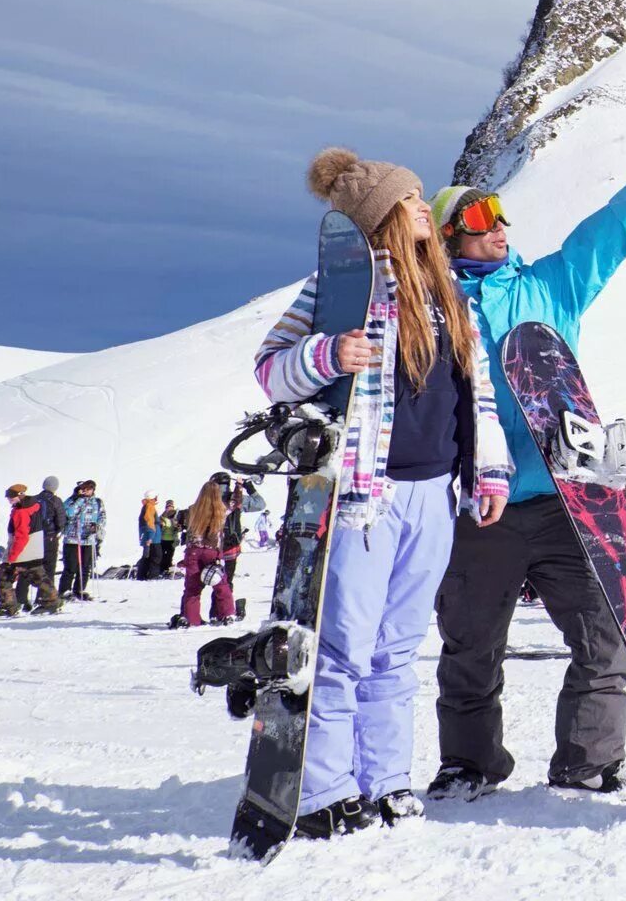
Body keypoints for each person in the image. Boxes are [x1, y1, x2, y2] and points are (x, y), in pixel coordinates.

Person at [429, 127, 626, 802]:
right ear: (449, 237)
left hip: (571, 502)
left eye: (502, 214)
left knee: (604, 636)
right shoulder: (436, 313)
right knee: (471, 645)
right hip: (486, 507)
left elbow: (609, 231)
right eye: (479, 218)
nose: (499, 226)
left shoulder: (550, 289)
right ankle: (469, 766)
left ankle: (589, 762)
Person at [256, 146, 513, 837]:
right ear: (382, 217)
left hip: (434, 493)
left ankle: (388, 780)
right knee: (344, 646)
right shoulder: (337, 285)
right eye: (412, 199)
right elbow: (269, 371)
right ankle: (324, 790)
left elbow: (477, 393)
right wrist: (327, 355)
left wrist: (489, 471)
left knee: (398, 648)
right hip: (365, 491)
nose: (424, 207)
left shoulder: (447, 292)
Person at [0, 484, 60, 617]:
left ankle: (8, 605)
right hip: (33, 549)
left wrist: (11, 557)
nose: (9, 499)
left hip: (24, 551)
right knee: (37, 576)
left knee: (4, 574)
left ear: (20, 495)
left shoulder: (22, 511)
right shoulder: (30, 506)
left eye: (12, 497)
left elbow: (22, 536)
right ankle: (52, 600)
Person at [176, 479, 239, 627]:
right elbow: (236, 503)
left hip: (193, 551)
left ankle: (192, 619)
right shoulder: (221, 510)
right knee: (220, 584)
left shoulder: (192, 510)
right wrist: (239, 487)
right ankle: (227, 614)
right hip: (211, 552)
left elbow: (178, 521)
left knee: (192, 588)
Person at [61, 480, 105, 600]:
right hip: (72, 538)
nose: (86, 491)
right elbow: (69, 513)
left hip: (88, 538)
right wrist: (79, 499)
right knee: (71, 566)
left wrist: (97, 526)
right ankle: (65, 590)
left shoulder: (98, 502)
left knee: (86, 567)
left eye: (89, 488)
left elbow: (102, 517)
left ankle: (79, 589)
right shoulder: (72, 500)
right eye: (84, 488)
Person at [137, 493, 162, 580]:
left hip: (151, 536)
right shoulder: (150, 506)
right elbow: (149, 521)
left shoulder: (147, 506)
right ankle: (153, 575)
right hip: (153, 538)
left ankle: (141, 575)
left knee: (147, 556)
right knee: (156, 556)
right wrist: (151, 535)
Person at [156, 499, 180, 579]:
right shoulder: (162, 517)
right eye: (168, 506)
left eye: (171, 506)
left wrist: (177, 527)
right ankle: (162, 568)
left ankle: (167, 568)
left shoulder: (176, 517)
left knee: (170, 555)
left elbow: (179, 528)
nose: (169, 508)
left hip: (172, 539)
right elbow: (158, 527)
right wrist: (162, 526)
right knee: (162, 555)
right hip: (163, 539)